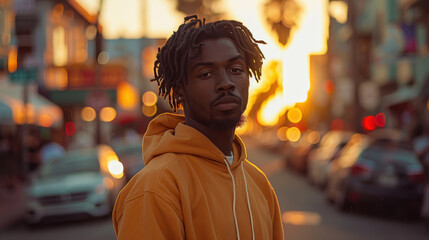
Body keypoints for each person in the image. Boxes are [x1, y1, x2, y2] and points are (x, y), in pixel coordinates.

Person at [112, 15, 284, 239]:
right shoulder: (155, 188)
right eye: (206, 74)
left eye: (236, 70)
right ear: (179, 89)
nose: (226, 83)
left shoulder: (260, 184)